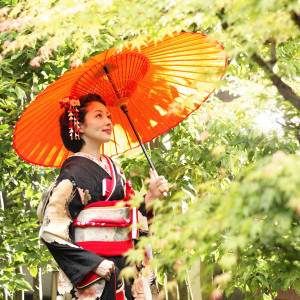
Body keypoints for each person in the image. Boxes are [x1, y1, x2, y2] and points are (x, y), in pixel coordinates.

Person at [39, 93, 168, 300]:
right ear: (79, 126)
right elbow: (51, 231)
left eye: (108, 116)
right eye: (98, 116)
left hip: (124, 266)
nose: (108, 121)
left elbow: (131, 215)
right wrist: (93, 264)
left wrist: (150, 196)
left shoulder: (115, 170)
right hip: (96, 272)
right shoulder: (72, 175)